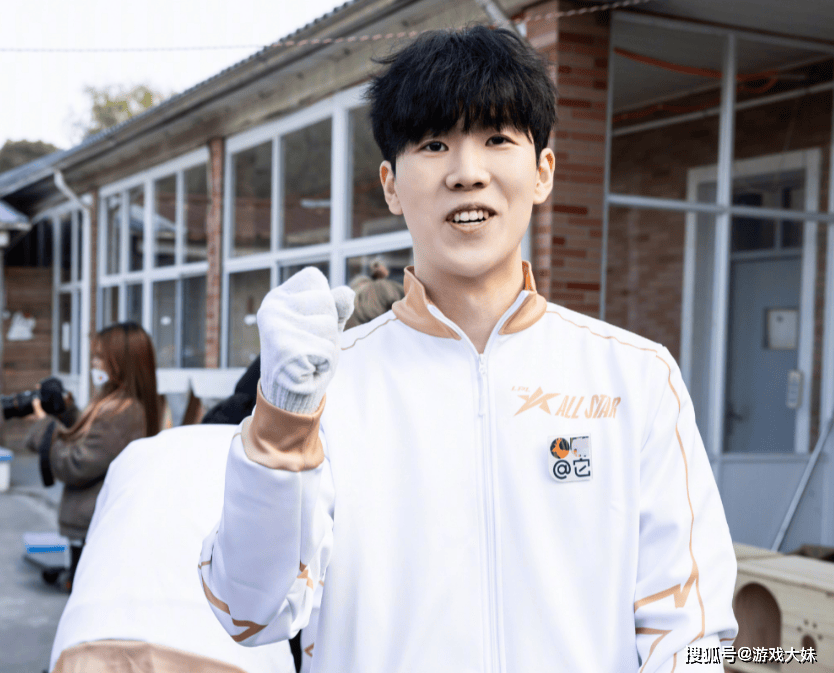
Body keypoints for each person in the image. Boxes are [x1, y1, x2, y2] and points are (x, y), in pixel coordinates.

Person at [200, 26, 738, 672]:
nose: (467, 173)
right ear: (391, 184)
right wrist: (280, 425)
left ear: (543, 172)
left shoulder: (635, 377)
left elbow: (693, 632)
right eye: (434, 144)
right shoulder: (330, 389)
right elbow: (249, 612)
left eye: (497, 139)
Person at [48, 357, 297, 673]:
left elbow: (97, 539)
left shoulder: (142, 451)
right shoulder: (274, 471)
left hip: (91, 637)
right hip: (220, 652)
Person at [26, 321, 159, 590]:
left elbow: (75, 465)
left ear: (121, 363)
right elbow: (93, 439)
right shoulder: (116, 404)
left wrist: (44, 426)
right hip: (92, 522)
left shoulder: (122, 412)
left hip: (95, 526)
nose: (93, 364)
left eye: (100, 357)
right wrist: (65, 411)